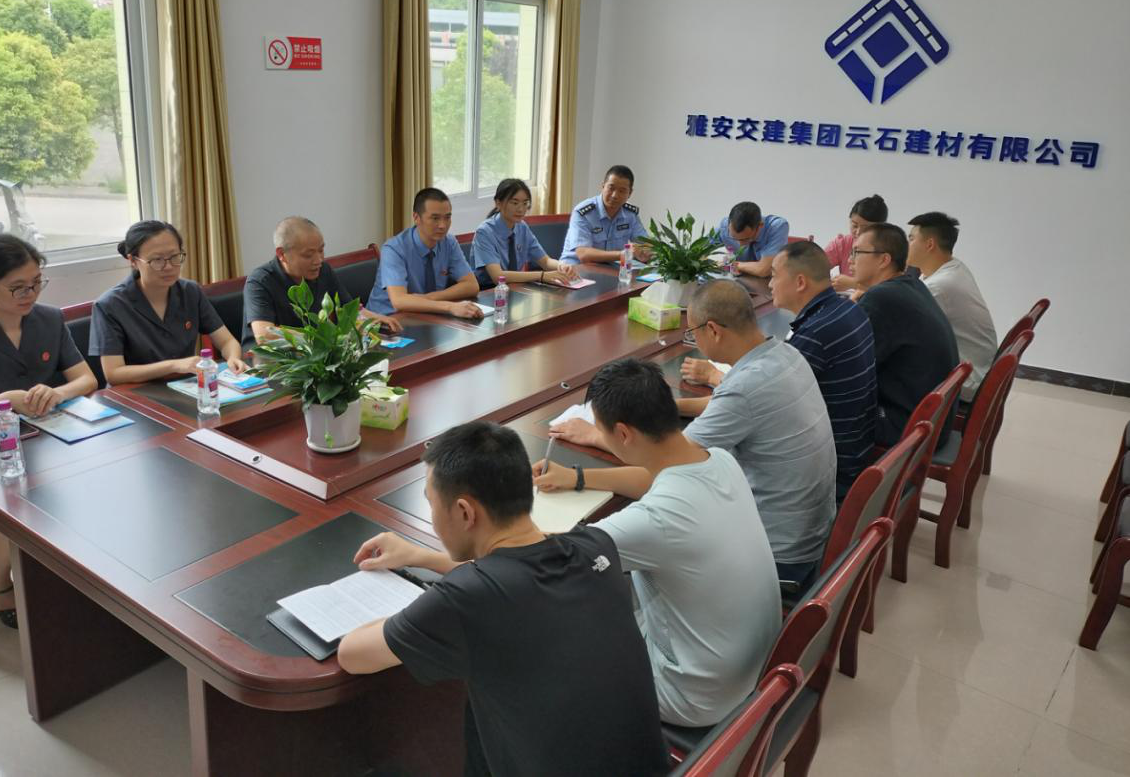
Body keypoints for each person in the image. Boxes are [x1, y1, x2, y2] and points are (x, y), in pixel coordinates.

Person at [338, 421, 669, 777]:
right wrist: (421, 557)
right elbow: (519, 562)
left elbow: (352, 654)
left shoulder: (464, 601)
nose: (432, 517)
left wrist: (425, 611)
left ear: (465, 512)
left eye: (432, 504)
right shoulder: (595, 545)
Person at [535, 359, 780, 728]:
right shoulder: (720, 460)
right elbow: (652, 480)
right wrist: (577, 477)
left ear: (622, 433)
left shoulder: (656, 519)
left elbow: (548, 557)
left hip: (691, 695)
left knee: (552, 626)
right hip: (752, 663)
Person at [555, 281, 835, 592]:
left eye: (693, 331)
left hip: (775, 554)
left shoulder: (744, 391)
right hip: (809, 533)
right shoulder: (785, 354)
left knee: (616, 572)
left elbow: (664, 465)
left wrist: (594, 441)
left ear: (712, 330)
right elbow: (727, 402)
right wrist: (660, 405)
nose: (694, 339)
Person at [0, 234, 98, 628]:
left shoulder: (49, 319)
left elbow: (87, 380)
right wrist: (4, 400)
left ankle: (78, 577)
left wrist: (56, 392)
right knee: (23, 510)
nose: (30, 294)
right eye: (18, 287)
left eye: (37, 283)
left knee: (96, 482)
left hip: (45, 438)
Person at [768, 242, 878, 502]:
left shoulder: (817, 333)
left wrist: (716, 378)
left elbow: (764, 403)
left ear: (800, 282)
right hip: (857, 447)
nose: (770, 284)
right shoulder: (848, 308)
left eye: (773, 275)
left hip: (831, 468)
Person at [90, 221, 248, 385]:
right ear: (133, 261)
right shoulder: (110, 305)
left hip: (185, 386)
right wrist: (173, 366)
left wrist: (233, 358)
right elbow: (114, 374)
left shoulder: (190, 291)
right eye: (157, 260)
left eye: (174, 257)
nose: (168, 267)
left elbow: (226, 341)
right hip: (135, 392)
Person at [850, 222, 960, 446]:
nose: (850, 259)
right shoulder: (912, 284)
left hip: (909, 425)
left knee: (820, 408)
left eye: (857, 252)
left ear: (884, 260)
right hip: (933, 418)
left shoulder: (881, 298)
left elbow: (853, 368)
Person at [242, 216, 401, 348]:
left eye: (321, 250)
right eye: (308, 255)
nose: (318, 260)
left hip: (317, 355)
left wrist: (375, 318)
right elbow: (264, 335)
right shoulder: (259, 282)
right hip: (269, 364)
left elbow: (348, 309)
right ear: (282, 254)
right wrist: (322, 337)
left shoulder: (323, 270)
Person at [907, 212, 998, 403]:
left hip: (966, 379)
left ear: (929, 244)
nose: (907, 245)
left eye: (911, 238)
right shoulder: (954, 267)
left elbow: (905, 329)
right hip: (978, 368)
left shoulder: (940, 286)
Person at [365, 188, 483, 318]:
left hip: (425, 314)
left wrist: (428, 298)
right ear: (416, 218)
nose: (443, 225)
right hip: (386, 320)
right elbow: (399, 301)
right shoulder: (394, 249)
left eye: (447, 217)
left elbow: (472, 285)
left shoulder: (448, 242)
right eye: (435, 218)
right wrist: (450, 307)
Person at [470, 179, 580, 288]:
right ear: (498, 203)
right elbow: (498, 276)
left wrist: (562, 266)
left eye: (525, 203)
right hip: (488, 291)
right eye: (515, 203)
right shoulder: (484, 232)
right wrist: (541, 276)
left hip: (516, 287)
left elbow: (545, 261)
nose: (521, 209)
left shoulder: (522, 227)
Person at [560, 165, 652, 265]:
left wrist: (644, 252)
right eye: (611, 188)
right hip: (575, 268)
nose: (615, 195)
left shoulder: (630, 214)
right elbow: (583, 254)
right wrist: (623, 254)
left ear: (630, 193)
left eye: (622, 191)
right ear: (603, 186)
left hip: (608, 269)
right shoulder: (584, 212)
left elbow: (647, 244)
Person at [824, 194, 888, 293]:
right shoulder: (843, 243)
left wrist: (853, 284)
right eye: (854, 225)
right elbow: (816, 267)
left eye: (866, 228)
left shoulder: (890, 248)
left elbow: (890, 291)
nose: (858, 232)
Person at [711, 202, 789, 278]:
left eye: (747, 238)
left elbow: (764, 270)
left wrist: (733, 264)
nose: (741, 245)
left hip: (768, 281)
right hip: (738, 278)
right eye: (734, 238)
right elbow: (704, 252)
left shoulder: (777, 227)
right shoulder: (724, 227)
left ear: (760, 226)